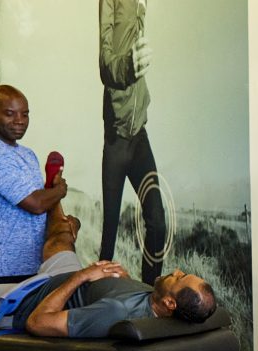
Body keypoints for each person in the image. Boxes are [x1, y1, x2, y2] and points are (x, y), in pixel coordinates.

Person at [0, 201, 215, 339]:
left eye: (178, 278)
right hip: (65, 278)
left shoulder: (114, 312)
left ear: (170, 304)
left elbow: (38, 322)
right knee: (61, 236)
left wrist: (83, 276)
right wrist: (116, 278)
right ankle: (57, 198)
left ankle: (60, 217)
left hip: (23, 300)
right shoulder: (154, 300)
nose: (175, 270)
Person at [0, 85, 68, 286]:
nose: (19, 121)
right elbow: (36, 204)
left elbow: (42, 201)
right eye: (10, 114)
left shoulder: (27, 154)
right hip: (1, 272)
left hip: (34, 268)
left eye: (25, 114)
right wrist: (60, 190)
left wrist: (51, 192)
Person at [99, 0, 166, 285]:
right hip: (116, 137)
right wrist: (130, 66)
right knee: (109, 233)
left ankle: (151, 294)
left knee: (158, 223)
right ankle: (95, 291)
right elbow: (105, 65)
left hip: (139, 136)